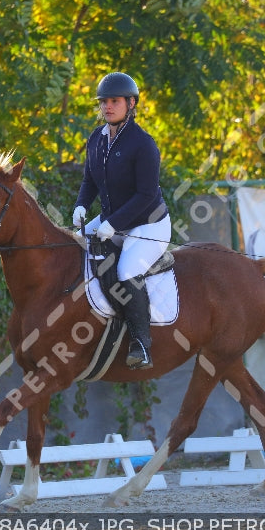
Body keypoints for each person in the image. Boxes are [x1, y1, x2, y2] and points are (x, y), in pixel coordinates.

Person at [72, 72, 171, 370]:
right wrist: (80, 205)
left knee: (127, 269)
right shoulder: (96, 139)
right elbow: (90, 181)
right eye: (104, 102)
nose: (107, 107)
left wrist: (112, 225)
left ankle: (141, 343)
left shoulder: (143, 144)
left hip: (148, 223)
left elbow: (144, 195)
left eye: (114, 101)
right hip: (112, 219)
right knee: (73, 244)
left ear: (131, 103)